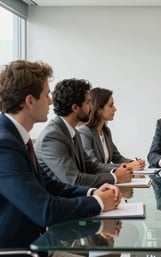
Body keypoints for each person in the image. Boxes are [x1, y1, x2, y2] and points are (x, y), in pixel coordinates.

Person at [0, 60, 121, 252]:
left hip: (38, 243)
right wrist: (98, 203)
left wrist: (91, 192)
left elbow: (49, 185)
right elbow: (45, 210)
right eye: (47, 95)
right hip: (17, 249)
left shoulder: (17, 137)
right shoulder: (5, 144)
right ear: (30, 101)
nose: (50, 101)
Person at [35, 78, 133, 188]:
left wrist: (117, 171)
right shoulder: (52, 136)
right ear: (75, 108)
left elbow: (91, 166)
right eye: (88, 103)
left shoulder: (73, 132)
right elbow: (75, 180)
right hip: (61, 200)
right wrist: (115, 177)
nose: (91, 107)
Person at [77, 87, 145, 171]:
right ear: (98, 109)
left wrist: (135, 163)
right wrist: (128, 166)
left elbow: (117, 158)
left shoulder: (105, 132)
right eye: (110, 105)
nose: (115, 109)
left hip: (107, 180)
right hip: (94, 183)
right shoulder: (84, 132)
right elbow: (93, 165)